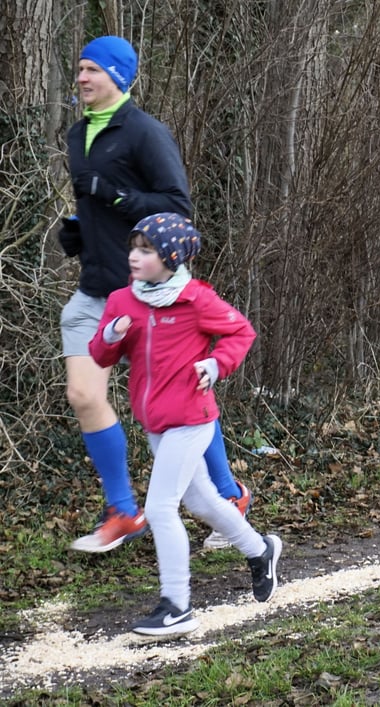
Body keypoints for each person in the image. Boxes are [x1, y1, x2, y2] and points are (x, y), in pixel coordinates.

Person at [60, 35, 250, 553]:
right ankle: (122, 510)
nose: (81, 78)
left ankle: (230, 496)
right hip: (97, 290)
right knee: (83, 395)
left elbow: (176, 208)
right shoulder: (78, 136)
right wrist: (78, 225)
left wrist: (115, 197)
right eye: (79, 69)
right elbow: (91, 201)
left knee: (182, 402)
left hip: (153, 297)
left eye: (92, 70)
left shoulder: (145, 133)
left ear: (118, 78)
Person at [88, 213, 282, 636]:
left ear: (171, 258)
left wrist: (216, 363)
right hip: (156, 423)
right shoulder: (123, 300)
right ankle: (260, 550)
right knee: (203, 503)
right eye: (133, 248)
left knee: (160, 508)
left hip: (192, 420)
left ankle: (176, 606)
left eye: (146, 250)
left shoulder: (196, 300)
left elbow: (241, 333)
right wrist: (110, 337)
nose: (135, 257)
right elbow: (101, 356)